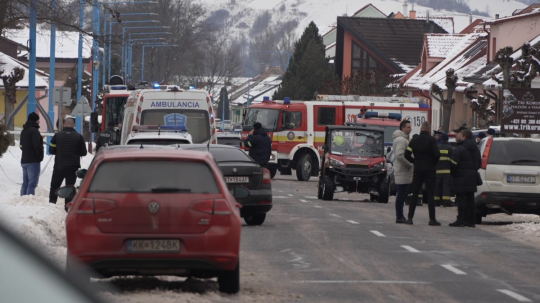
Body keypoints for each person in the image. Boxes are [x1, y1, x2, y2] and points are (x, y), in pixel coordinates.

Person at [405, 121, 441, 226]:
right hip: (430, 170)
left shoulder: (414, 140)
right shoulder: (432, 140)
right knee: (430, 194)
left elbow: (406, 154)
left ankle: (410, 218)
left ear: (421, 129)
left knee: (415, 193)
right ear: (429, 130)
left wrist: (414, 161)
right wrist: (433, 163)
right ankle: (432, 219)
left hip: (418, 169)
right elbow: (437, 154)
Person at [49, 118, 88, 211]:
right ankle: (67, 207)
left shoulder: (57, 136)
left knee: (55, 185)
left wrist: (59, 151)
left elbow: (51, 150)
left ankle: (52, 203)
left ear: (64, 125)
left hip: (59, 166)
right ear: (73, 125)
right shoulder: (79, 137)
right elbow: (84, 152)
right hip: (72, 167)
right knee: (70, 186)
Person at [449, 130, 481, 227]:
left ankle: (461, 220)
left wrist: (454, 174)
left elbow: (453, 164)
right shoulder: (476, 149)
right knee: (470, 198)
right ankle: (471, 221)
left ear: (463, 136)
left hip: (461, 177)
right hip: (472, 176)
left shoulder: (460, 149)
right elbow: (479, 163)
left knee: (461, 198)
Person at [392, 120, 413, 224]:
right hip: (403, 171)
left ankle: (400, 215)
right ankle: (399, 216)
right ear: (403, 128)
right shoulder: (402, 140)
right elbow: (399, 155)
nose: (410, 129)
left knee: (402, 194)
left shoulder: (402, 139)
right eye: (408, 127)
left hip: (403, 171)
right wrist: (410, 164)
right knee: (401, 195)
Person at [19, 112, 44, 196]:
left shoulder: (24, 131)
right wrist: (40, 155)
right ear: (35, 120)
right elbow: (36, 145)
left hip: (24, 160)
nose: (39, 122)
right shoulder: (34, 131)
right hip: (33, 161)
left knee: (25, 183)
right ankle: (30, 200)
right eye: (38, 120)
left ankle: (22, 199)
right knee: (32, 184)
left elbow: (21, 145)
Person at [434, 133, 453, 207]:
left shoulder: (437, 147)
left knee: (437, 186)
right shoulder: (450, 149)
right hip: (447, 171)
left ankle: (436, 201)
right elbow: (452, 161)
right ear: (447, 139)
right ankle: (446, 202)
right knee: (446, 187)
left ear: (441, 139)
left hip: (437, 171)